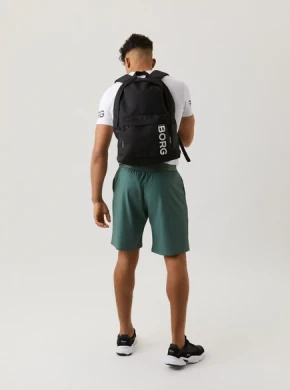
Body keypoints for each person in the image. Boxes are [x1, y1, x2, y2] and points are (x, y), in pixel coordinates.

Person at [90, 33, 204, 367]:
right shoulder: (177, 86)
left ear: (126, 62)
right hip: (165, 179)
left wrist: (96, 198)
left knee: (126, 257)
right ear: (152, 60)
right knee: (175, 258)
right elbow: (186, 139)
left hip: (127, 180)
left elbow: (99, 152)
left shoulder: (112, 92)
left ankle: (125, 335)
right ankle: (178, 345)